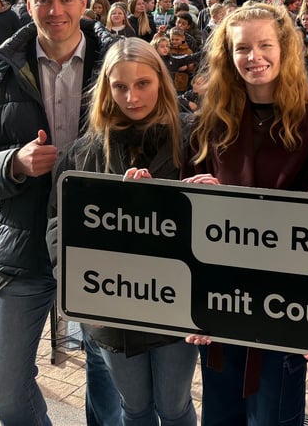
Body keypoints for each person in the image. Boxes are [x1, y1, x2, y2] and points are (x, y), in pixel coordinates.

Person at [0, 0, 122, 425]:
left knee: (111, 390)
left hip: (103, 248)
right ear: (28, 4)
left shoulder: (122, 65)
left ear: (85, 1)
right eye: (43, 0)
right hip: (22, 248)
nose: (55, 10)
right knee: (3, 389)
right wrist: (12, 164)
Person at [181, 2, 308, 426]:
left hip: (280, 307)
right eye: (242, 48)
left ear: (284, 48)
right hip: (220, 300)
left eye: (265, 44)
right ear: (227, 56)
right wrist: (196, 196)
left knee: (273, 418)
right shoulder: (210, 121)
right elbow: (183, 216)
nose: (255, 57)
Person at [48, 38, 197, 425]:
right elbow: (57, 227)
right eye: (120, 86)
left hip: (177, 307)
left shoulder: (196, 140)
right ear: (106, 90)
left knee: (174, 406)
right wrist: (77, 283)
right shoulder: (83, 153)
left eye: (143, 84)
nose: (131, 97)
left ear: (162, 83)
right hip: (112, 314)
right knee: (134, 407)